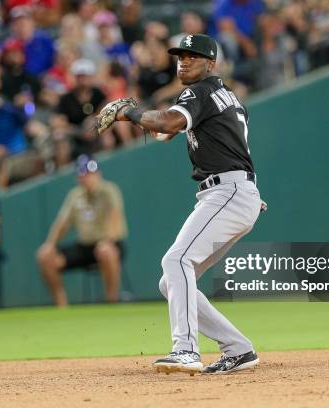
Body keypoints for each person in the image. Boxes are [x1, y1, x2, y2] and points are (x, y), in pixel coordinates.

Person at [112, 34, 267, 374]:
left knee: (176, 259)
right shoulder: (225, 96)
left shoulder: (200, 91)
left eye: (193, 56)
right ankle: (237, 348)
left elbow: (167, 122)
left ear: (211, 63)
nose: (184, 60)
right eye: (180, 55)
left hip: (227, 191)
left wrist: (130, 111)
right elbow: (172, 130)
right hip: (234, 191)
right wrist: (248, 192)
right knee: (173, 279)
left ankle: (185, 349)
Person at [36, 155, 127, 307]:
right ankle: (61, 305)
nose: (87, 178)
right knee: (44, 256)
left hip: (110, 244)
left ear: (98, 174)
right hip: (84, 247)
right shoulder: (75, 195)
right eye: (83, 175)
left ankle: (112, 301)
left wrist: (107, 241)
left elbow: (115, 218)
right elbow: (62, 224)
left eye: (90, 174)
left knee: (106, 251)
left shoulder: (109, 190)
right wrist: (50, 244)